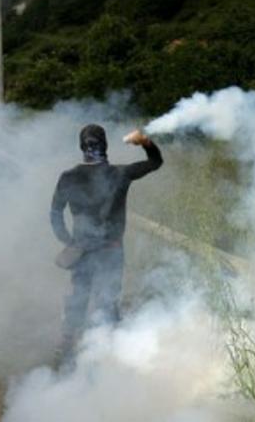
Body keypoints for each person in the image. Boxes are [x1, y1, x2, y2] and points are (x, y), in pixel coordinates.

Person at [50, 124, 163, 364]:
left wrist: (68, 240)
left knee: (79, 297)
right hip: (111, 250)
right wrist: (144, 141)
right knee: (108, 299)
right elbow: (155, 162)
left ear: (82, 146)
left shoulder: (68, 177)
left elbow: (55, 213)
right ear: (106, 146)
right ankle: (108, 354)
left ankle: (68, 348)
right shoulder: (120, 173)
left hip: (80, 250)